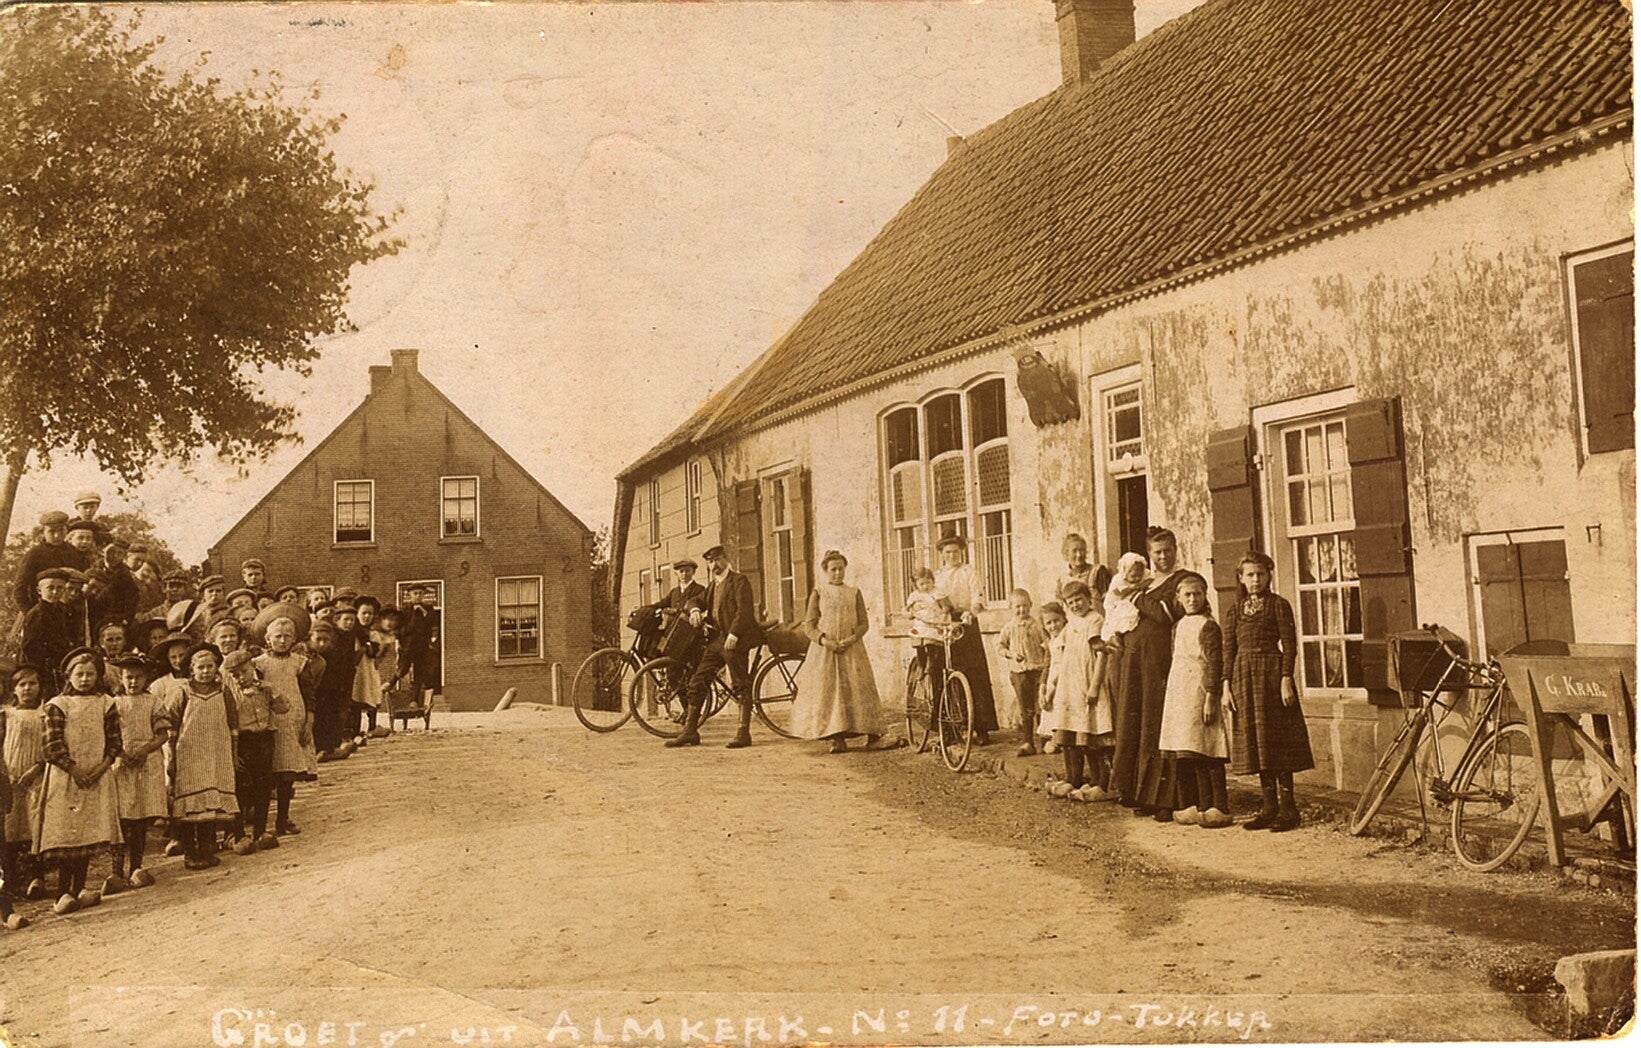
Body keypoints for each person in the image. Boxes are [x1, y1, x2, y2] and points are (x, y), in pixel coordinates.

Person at [1223, 551, 1310, 832]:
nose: (1256, 579)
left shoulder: (1279, 605)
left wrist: (1286, 678)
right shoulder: (1235, 610)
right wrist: (1226, 686)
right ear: (1241, 578)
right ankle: (1269, 807)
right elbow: (1228, 651)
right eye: (1250, 574)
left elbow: (1290, 645)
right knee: (1258, 743)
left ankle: (1288, 808)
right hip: (1244, 679)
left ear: (1269, 575)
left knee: (1277, 742)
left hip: (1272, 676)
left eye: (1260, 574)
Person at [1110, 527, 1193, 820]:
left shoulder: (1183, 580)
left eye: (1168, 550)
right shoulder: (1144, 581)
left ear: (1175, 549)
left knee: (1157, 724)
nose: (1163, 556)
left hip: (1161, 661)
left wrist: (1135, 598)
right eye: (1157, 552)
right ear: (1149, 554)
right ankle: (1137, 792)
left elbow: (1166, 613)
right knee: (1135, 722)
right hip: (1134, 662)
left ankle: (1165, 798)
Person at [34, 649, 123, 915]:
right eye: (79, 674)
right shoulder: (57, 704)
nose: (85, 679)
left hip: (97, 776)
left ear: (98, 676)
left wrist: (101, 769)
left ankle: (79, 888)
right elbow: (52, 746)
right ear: (68, 676)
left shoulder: (106, 703)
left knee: (88, 832)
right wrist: (74, 770)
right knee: (67, 833)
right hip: (65, 778)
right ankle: (62, 893)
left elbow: (114, 742)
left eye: (90, 674)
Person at [790, 551, 895, 753]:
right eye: (833, 569)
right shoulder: (819, 592)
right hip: (826, 651)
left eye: (841, 569)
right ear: (825, 571)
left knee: (859, 690)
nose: (838, 573)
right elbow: (809, 626)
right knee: (831, 693)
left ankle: (873, 737)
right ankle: (837, 739)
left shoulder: (854, 592)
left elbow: (864, 623)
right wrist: (825, 641)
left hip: (852, 649)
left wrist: (852, 639)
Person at [665, 545, 763, 749]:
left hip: (736, 641)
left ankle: (743, 733)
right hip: (717, 641)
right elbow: (695, 600)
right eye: (710, 562)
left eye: (717, 559)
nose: (714, 565)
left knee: (741, 685)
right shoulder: (713, 586)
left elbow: (744, 612)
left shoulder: (739, 581)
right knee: (697, 681)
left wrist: (734, 634)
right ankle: (690, 732)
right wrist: (694, 610)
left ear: (726, 559)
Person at [1156, 572, 1232, 828]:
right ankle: (1193, 804)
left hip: (1200, 690)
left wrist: (1211, 697)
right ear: (1178, 598)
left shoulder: (1208, 625)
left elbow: (1214, 663)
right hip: (1180, 692)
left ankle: (1217, 805)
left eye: (1197, 594)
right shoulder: (1177, 626)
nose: (1192, 599)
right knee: (1185, 749)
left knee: (1206, 749)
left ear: (1204, 596)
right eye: (1187, 595)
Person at [155, 643, 239, 870]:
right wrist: (171, 757)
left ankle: (206, 849)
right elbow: (171, 726)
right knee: (188, 806)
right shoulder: (183, 691)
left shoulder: (224, 691)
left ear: (216, 667)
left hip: (217, 754)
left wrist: (233, 753)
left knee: (210, 805)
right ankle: (190, 853)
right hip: (189, 755)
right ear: (192, 669)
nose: (205, 671)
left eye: (210, 666)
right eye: (200, 667)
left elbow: (233, 725)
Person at [1039, 581, 1112, 801]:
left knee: (1093, 736)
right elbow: (1059, 656)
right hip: (1070, 686)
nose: (1075, 605)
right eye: (1070, 602)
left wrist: (1095, 685)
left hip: (1088, 683)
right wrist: (1052, 687)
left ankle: (1102, 783)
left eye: (1079, 600)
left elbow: (1101, 655)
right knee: (1073, 734)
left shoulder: (1095, 620)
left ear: (1089, 599)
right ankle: (1075, 779)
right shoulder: (1070, 624)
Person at [253, 609, 320, 839]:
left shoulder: (300, 663)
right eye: (278, 636)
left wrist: (309, 720)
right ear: (268, 638)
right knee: (268, 771)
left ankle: (283, 818)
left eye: (287, 636)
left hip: (293, 720)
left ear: (294, 640)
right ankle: (260, 823)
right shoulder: (259, 664)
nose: (282, 641)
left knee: (287, 772)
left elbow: (309, 693)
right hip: (269, 720)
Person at [932, 535, 997, 745]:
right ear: (942, 554)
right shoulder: (937, 576)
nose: (952, 556)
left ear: (962, 552)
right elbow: (931, 598)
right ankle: (949, 729)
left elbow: (978, 596)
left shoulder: (969, 571)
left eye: (956, 552)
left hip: (966, 623)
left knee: (974, 674)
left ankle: (981, 728)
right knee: (944, 672)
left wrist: (972, 612)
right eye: (948, 552)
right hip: (944, 623)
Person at [110, 653, 167, 887]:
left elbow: (163, 734)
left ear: (146, 679)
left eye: (138, 677)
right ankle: (116, 870)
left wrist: (145, 749)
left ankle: (136, 865)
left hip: (147, 761)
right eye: (129, 677)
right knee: (121, 816)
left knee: (140, 817)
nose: (133, 682)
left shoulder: (153, 702)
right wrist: (120, 753)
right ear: (121, 679)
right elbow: (107, 734)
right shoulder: (113, 703)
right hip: (121, 762)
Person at [223, 650, 284, 853]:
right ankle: (238, 834)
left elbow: (283, 708)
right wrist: (234, 752)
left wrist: (272, 691)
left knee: (263, 786)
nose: (241, 678)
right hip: (243, 741)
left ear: (253, 668)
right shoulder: (231, 695)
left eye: (244, 672)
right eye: (235, 675)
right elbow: (230, 724)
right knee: (241, 788)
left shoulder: (264, 689)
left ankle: (260, 832)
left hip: (264, 740)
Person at [1, 665, 47, 902]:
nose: (27, 689)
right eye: (22, 684)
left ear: (39, 687)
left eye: (32, 684)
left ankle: (36, 879)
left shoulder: (45, 713)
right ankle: (10, 881)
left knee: (35, 827)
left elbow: (50, 746)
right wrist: (5, 774)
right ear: (14, 689)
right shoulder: (6, 714)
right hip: (10, 779)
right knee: (11, 830)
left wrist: (37, 768)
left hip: (36, 777)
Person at [996, 589, 1050, 757]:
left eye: (1025, 606)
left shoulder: (1038, 625)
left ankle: (1045, 741)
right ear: (1010, 607)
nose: (1022, 610)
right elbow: (1000, 646)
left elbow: (1047, 643)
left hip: (1038, 670)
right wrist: (1011, 654)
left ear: (1030, 605)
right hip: (1019, 673)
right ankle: (1028, 742)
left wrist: (1045, 650)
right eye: (1017, 606)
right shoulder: (1009, 627)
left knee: (1041, 706)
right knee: (1025, 708)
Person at [11, 511, 77, 614]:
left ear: (66, 530)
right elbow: (19, 590)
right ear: (43, 532)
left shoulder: (73, 552)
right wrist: (32, 613)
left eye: (61, 530)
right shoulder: (35, 554)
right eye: (51, 531)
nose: (57, 536)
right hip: (41, 609)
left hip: (68, 611)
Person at [21, 569, 74, 695]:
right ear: (39, 591)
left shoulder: (61, 610)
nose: (55, 592)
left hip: (59, 665)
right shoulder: (37, 614)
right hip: (42, 668)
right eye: (50, 588)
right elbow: (29, 648)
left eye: (60, 588)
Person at [349, 597, 384, 743]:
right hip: (356, 668)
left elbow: (375, 652)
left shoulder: (373, 634)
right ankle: (354, 730)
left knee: (370, 693)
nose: (367, 616)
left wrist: (369, 646)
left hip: (368, 668)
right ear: (357, 613)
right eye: (364, 613)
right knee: (355, 696)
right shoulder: (352, 633)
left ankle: (372, 726)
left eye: (370, 613)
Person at [1036, 601, 1067, 755]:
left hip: (1063, 680)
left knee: (1062, 711)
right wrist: (1042, 687)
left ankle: (1061, 740)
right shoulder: (1050, 641)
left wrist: (1051, 690)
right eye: (1049, 623)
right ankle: (1053, 739)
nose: (1053, 626)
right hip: (1051, 680)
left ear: (1063, 619)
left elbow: (1064, 665)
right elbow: (1047, 665)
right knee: (1050, 711)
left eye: (1056, 621)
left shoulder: (1066, 638)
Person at [1055, 532, 1112, 604]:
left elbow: (1110, 600)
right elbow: (1060, 606)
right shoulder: (1062, 581)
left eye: (1082, 550)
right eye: (1074, 551)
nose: (1079, 555)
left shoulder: (1098, 572)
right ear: (1066, 554)